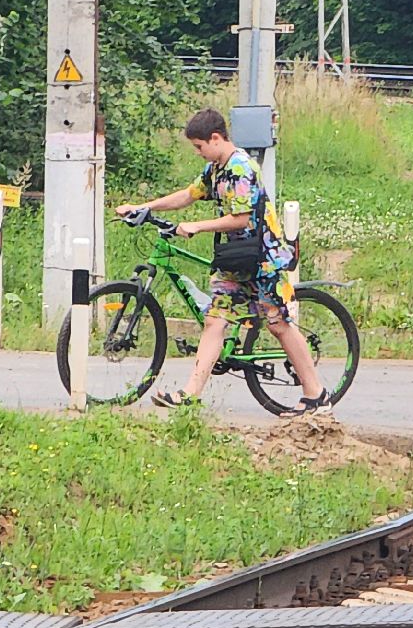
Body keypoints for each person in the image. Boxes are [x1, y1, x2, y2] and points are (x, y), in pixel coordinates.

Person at [114, 107, 332, 415]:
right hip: (237, 259)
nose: (198, 153)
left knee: (279, 325)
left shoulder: (241, 168)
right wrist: (142, 207)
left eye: (199, 146)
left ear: (215, 138)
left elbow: (241, 219)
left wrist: (197, 226)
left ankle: (317, 394)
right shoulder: (216, 167)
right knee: (215, 320)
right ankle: (190, 394)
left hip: (263, 258)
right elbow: (187, 195)